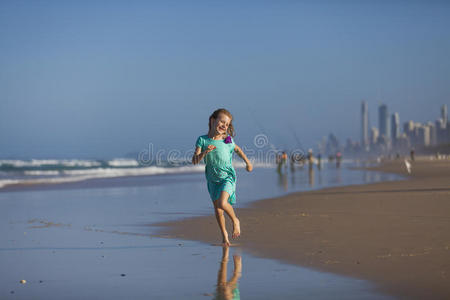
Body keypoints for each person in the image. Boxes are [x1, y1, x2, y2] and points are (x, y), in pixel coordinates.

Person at [192, 108, 253, 247]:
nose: (224, 126)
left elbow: (238, 149)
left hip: (227, 177)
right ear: (212, 121)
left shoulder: (227, 140)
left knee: (223, 203)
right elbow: (194, 160)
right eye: (222, 122)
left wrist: (248, 163)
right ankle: (225, 236)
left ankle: (235, 220)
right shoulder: (202, 140)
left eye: (227, 124)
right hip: (212, 180)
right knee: (218, 211)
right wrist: (204, 153)